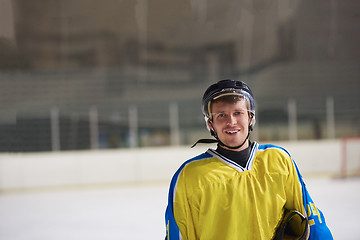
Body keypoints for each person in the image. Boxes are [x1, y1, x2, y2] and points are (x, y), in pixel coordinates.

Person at [164, 79, 333, 239]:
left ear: (250, 118)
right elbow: (178, 235)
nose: (231, 121)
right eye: (221, 115)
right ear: (210, 124)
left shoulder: (278, 160)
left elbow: (311, 220)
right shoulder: (189, 176)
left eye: (238, 113)